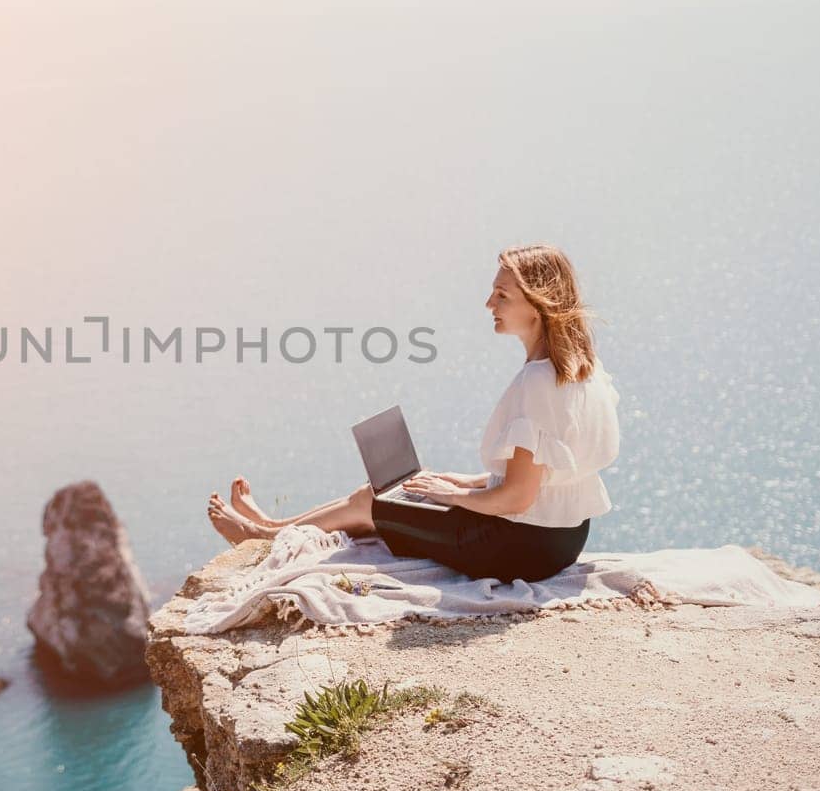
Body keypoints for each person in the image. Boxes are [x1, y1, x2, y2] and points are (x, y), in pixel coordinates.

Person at [206, 242, 621, 584]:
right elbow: (542, 473)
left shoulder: (536, 381)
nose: (488, 302)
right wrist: (466, 481)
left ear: (536, 306)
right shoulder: (579, 367)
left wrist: (453, 496)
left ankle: (260, 536)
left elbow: (517, 496)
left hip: (518, 548)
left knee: (374, 501)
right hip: (563, 537)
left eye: (502, 295)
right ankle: (273, 527)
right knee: (390, 492)